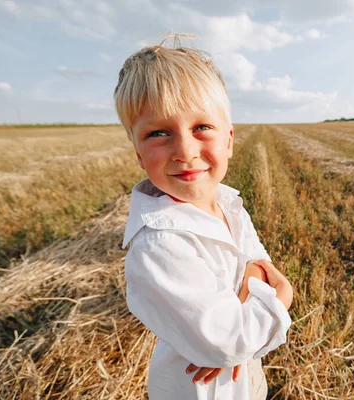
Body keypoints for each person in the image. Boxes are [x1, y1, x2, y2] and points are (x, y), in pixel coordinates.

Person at [114, 41, 293, 399]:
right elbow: (227, 345)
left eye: (201, 127)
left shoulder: (228, 202)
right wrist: (281, 297)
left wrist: (246, 311)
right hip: (197, 390)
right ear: (138, 153)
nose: (185, 151)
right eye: (158, 133)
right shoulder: (159, 244)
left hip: (247, 378)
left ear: (228, 141)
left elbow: (256, 260)